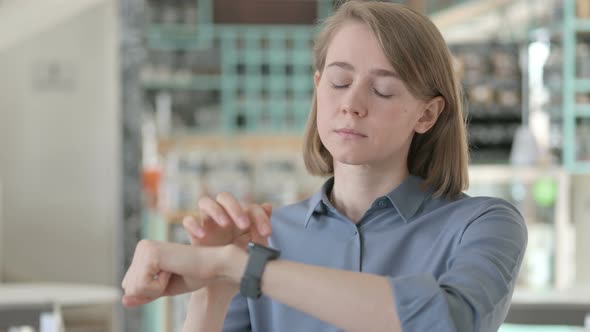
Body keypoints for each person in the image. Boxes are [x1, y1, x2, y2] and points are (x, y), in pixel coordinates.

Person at [121, 1, 527, 331]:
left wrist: (243, 268)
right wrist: (213, 283)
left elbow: (448, 321)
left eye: (383, 89)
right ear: (318, 89)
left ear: (427, 114)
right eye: (338, 82)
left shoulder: (484, 224)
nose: (352, 102)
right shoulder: (262, 235)